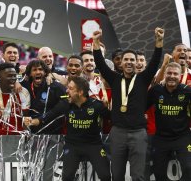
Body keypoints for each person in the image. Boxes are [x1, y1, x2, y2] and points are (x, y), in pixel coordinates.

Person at [92, 27, 164, 180]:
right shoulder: (115, 79)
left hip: (138, 133)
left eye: (133, 59)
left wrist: (159, 42)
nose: (130, 62)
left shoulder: (143, 79)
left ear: (137, 62)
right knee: (117, 175)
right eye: (126, 59)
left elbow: (155, 61)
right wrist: (96, 43)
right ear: (121, 63)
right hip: (117, 132)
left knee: (138, 175)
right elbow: (100, 64)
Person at [24, 76, 111, 181]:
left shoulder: (96, 105)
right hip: (72, 145)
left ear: (80, 92)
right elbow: (49, 115)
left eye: (70, 88)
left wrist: (108, 107)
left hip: (93, 145)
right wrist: (32, 121)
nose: (66, 90)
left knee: (105, 176)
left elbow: (112, 118)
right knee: (67, 177)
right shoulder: (66, 104)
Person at [147, 62, 191, 180]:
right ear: (164, 74)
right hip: (161, 138)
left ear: (180, 76)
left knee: (188, 168)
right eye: (169, 73)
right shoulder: (156, 90)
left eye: (175, 74)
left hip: (182, 137)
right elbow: (142, 106)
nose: (172, 76)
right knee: (158, 172)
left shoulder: (187, 91)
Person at [20, 60, 66, 134]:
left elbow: (65, 101)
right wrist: (16, 83)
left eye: (40, 69)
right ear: (30, 74)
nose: (38, 72)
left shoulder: (54, 87)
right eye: (34, 70)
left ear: (45, 72)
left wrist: (41, 119)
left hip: (53, 133)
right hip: (32, 132)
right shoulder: (25, 86)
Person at [0, 63, 30, 135]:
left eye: (14, 76)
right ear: (0, 76)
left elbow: (26, 118)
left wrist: (27, 134)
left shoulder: (23, 92)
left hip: (19, 138)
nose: (13, 79)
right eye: (9, 76)